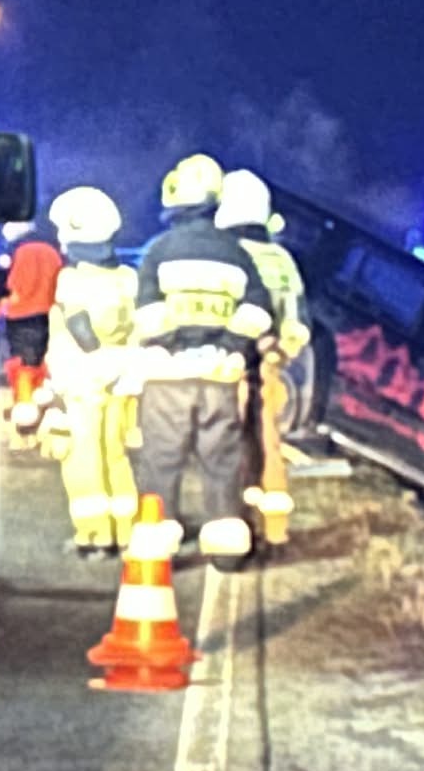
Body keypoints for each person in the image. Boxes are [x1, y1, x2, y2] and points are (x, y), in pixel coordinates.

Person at [124, 154, 274, 567]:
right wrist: (228, 344)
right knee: (221, 460)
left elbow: (146, 312)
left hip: (167, 376)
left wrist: (172, 342)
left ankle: (157, 545)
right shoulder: (236, 254)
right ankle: (226, 548)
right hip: (218, 376)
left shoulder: (158, 251)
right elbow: (258, 311)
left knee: (161, 460)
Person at [44, 185, 142, 556]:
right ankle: (124, 531)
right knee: (115, 453)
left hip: (84, 380)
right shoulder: (127, 278)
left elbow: (79, 326)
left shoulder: (72, 280)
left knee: (83, 456)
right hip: (120, 374)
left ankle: (93, 534)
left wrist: (90, 359)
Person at [214, 168, 309, 546]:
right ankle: (276, 529)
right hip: (270, 366)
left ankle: (236, 523)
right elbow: (299, 319)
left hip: (229, 365)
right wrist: (281, 353)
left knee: (229, 442)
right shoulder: (282, 259)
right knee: (269, 441)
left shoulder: (225, 256)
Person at [0, 217, 63, 434]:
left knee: (22, 363)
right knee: (38, 361)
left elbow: (5, 286)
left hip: (19, 314)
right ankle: (39, 405)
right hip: (47, 313)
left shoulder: (15, 253)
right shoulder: (52, 251)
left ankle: (25, 411)